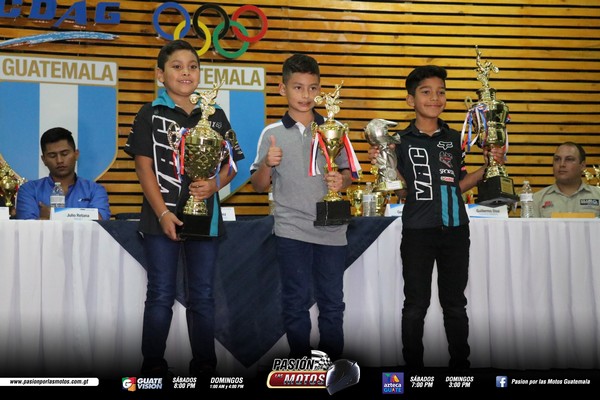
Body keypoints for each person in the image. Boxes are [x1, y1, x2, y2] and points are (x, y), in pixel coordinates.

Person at [367, 65, 505, 369]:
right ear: (410, 99)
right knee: (415, 305)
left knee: (455, 304)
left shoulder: (456, 139)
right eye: (426, 92)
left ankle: (461, 367)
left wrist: (489, 167)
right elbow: (402, 190)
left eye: (441, 92)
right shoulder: (399, 141)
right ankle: (413, 368)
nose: (435, 98)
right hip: (417, 231)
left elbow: (459, 185)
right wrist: (385, 165)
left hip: (456, 229)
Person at [124, 39, 244, 379]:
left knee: (202, 295)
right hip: (159, 218)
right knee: (160, 294)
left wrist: (214, 185)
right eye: (177, 67)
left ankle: (205, 365)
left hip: (205, 218)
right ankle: (152, 365)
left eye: (192, 66)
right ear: (160, 75)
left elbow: (232, 164)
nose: (186, 73)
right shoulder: (150, 113)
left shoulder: (214, 114)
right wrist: (163, 214)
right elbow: (143, 168)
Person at [250, 54, 352, 361]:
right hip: (291, 229)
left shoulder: (334, 128)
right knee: (295, 301)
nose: (305, 95)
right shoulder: (271, 133)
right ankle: (301, 363)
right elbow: (258, 185)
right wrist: (268, 164)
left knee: (332, 302)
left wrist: (341, 181)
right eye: (298, 87)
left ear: (320, 90)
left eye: (312, 88)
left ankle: (332, 365)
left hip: (331, 229)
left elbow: (348, 173)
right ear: (282, 89)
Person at [15, 127, 111, 220]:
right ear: (44, 160)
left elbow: (100, 223)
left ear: (76, 154)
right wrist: (80, 216)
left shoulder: (95, 190)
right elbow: (27, 227)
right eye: (52, 156)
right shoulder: (29, 190)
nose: (59, 160)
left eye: (64, 154)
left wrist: (52, 215)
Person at [532, 142, 600, 217]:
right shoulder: (537, 199)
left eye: (569, 159)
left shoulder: (598, 196)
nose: (562, 164)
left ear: (582, 166)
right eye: (557, 159)